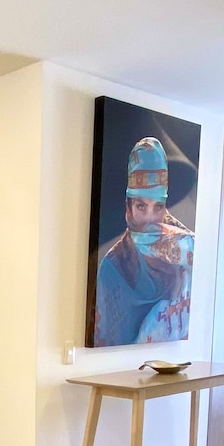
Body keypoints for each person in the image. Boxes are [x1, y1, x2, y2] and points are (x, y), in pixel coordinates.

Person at [93, 136, 194, 345]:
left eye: (157, 207)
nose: (150, 219)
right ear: (128, 208)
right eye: (141, 206)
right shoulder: (114, 267)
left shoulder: (184, 246)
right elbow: (108, 344)